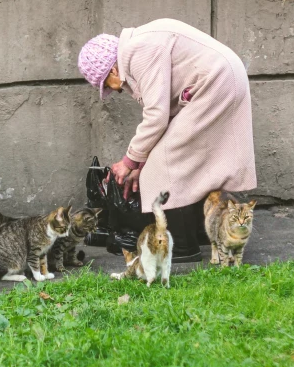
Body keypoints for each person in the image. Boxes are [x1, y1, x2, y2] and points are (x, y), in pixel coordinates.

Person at [78, 18, 257, 263]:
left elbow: (157, 116)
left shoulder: (137, 52)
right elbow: (164, 115)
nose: (115, 91)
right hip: (219, 78)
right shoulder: (138, 48)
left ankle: (182, 246)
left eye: (109, 86)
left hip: (216, 82)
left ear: (112, 71)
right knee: (181, 162)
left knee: (165, 164)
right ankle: (200, 233)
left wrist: (129, 162)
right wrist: (138, 162)